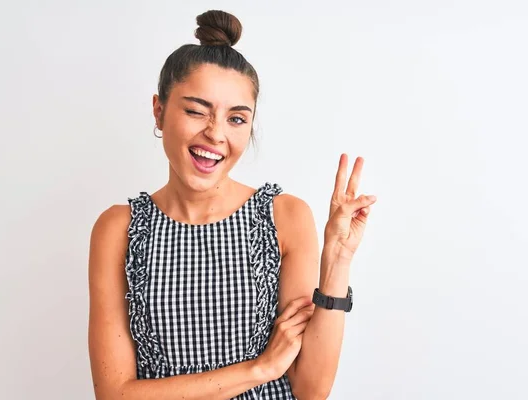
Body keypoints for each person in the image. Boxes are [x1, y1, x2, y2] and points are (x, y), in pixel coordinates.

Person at [88, 9, 376, 400]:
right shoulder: (118, 229)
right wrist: (260, 369)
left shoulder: (284, 216)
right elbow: (115, 394)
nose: (215, 134)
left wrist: (338, 259)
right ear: (159, 110)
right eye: (195, 110)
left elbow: (311, 389)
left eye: (237, 119)